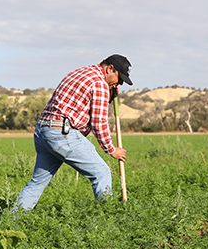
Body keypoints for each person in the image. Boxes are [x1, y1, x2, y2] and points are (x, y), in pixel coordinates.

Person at [12, 54, 133, 211]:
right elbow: (98, 122)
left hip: (44, 131)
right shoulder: (99, 83)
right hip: (61, 134)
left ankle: (12, 220)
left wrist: (109, 97)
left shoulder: (81, 72)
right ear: (110, 68)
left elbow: (81, 105)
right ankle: (107, 219)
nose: (120, 83)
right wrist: (111, 149)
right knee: (102, 173)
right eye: (120, 78)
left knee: (37, 183)